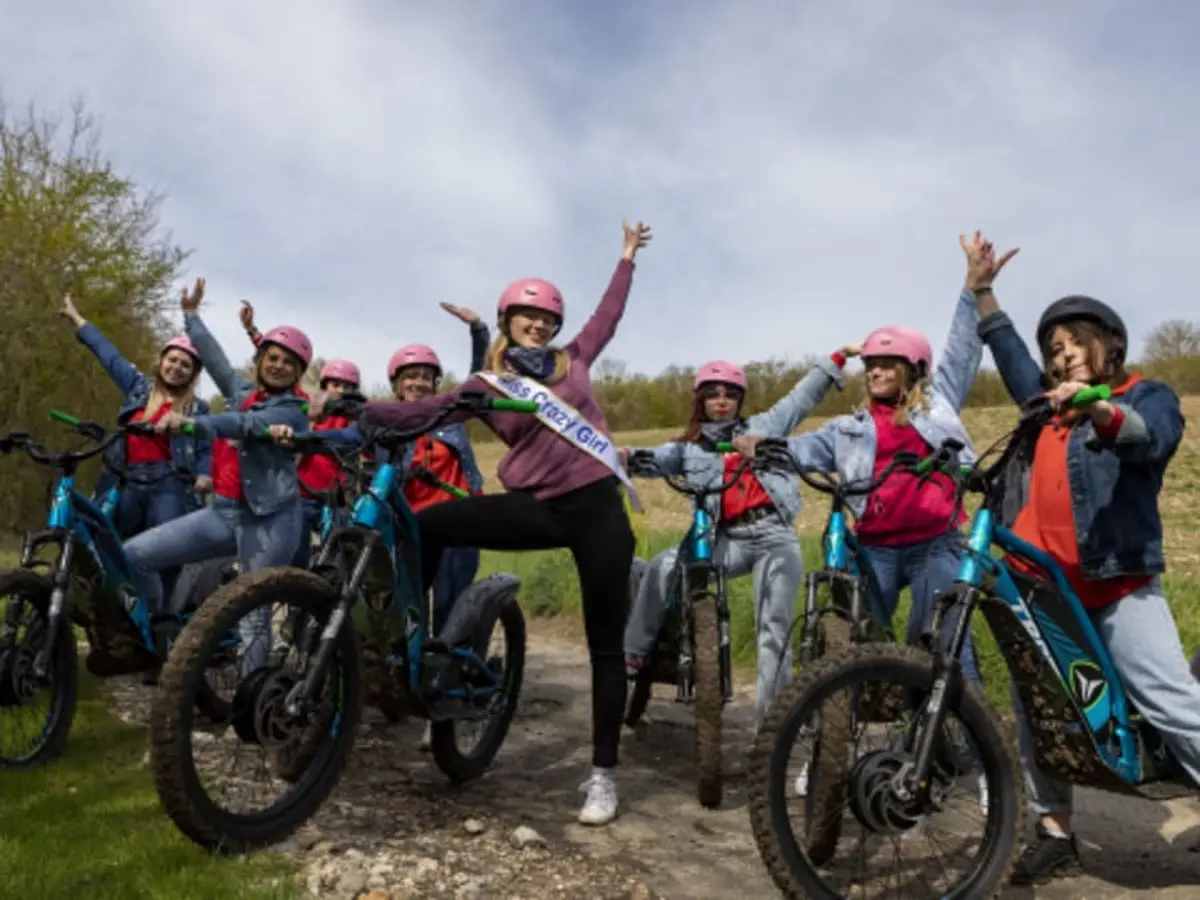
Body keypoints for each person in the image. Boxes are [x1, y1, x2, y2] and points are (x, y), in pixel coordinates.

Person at [356, 219, 652, 826]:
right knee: (428, 525)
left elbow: (609, 314)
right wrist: (356, 409)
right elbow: (427, 408)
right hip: (536, 505)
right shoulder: (486, 385)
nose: (538, 325)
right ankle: (421, 651)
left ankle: (602, 776)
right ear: (508, 319)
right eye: (527, 316)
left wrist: (625, 257)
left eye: (547, 319)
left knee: (604, 644)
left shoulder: (574, 361)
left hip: (597, 508)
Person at [736, 231, 1012, 809]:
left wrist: (972, 288)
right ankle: (825, 753)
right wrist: (761, 443)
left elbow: (962, 348)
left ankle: (988, 770)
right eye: (871, 364)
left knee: (948, 648)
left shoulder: (937, 407)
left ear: (912, 368)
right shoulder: (850, 428)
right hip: (876, 548)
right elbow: (804, 451)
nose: (875, 370)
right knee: (843, 647)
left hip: (937, 543)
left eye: (887, 363)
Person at [975, 259, 1200, 885]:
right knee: (1039, 708)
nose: (1062, 355)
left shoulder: (1142, 394)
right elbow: (1012, 353)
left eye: (1076, 343)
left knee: (1171, 703)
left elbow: (1151, 438)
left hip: (1116, 582)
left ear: (1110, 349)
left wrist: (1100, 410)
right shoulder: (1045, 408)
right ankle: (1056, 830)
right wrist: (983, 293)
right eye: (1055, 348)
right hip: (1043, 589)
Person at [622, 345, 858, 732]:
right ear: (701, 399)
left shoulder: (763, 427)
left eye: (730, 394)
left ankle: (770, 726)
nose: (721, 401)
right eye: (713, 394)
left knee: (773, 627)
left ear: (740, 400)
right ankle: (633, 653)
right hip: (726, 539)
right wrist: (623, 456)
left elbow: (800, 398)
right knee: (664, 565)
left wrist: (836, 359)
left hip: (774, 535)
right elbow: (651, 459)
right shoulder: (687, 448)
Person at [122, 278, 311, 674]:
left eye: (288, 362)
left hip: (270, 519)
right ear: (261, 360)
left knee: (251, 612)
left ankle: (253, 700)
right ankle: (159, 631)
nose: (278, 365)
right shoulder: (242, 390)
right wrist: (191, 317)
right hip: (222, 512)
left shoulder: (293, 410)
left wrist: (190, 425)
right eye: (272, 357)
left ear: (298, 372)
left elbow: (241, 424)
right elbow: (216, 359)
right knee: (134, 556)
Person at [60, 294, 212, 535]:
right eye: (172, 360)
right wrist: (79, 321)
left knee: (164, 545)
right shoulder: (139, 388)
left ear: (193, 374)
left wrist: (205, 474)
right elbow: (109, 356)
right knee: (101, 537)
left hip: (169, 484)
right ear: (161, 361)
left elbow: (205, 447)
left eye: (186, 365)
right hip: (125, 477)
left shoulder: (197, 409)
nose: (176, 368)